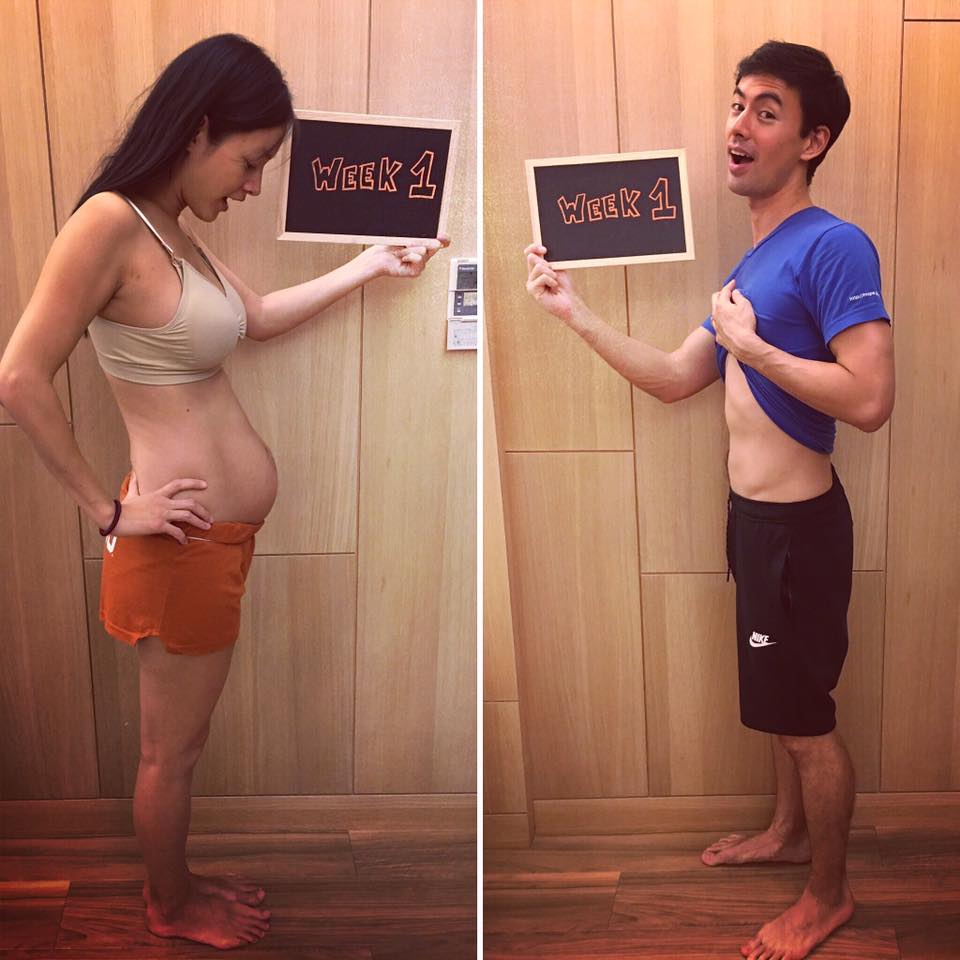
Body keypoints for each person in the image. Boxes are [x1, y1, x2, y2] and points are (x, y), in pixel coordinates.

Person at [0, 33, 448, 951]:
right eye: (250, 161)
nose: (252, 185)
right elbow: (18, 377)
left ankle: (177, 883)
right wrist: (109, 511)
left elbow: (261, 319)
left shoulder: (174, 234)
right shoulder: (109, 224)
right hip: (176, 547)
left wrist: (371, 263)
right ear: (199, 129)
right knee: (172, 751)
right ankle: (168, 906)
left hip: (212, 543)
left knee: (182, 745)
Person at [524, 40, 894, 960]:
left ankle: (828, 896)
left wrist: (754, 347)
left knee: (806, 722)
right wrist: (573, 310)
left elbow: (871, 399)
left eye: (767, 110)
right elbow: (673, 378)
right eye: (737, 104)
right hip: (755, 525)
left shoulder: (834, 244)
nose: (739, 124)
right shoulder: (751, 266)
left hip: (799, 534)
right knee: (781, 705)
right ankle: (788, 833)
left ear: (813, 140)